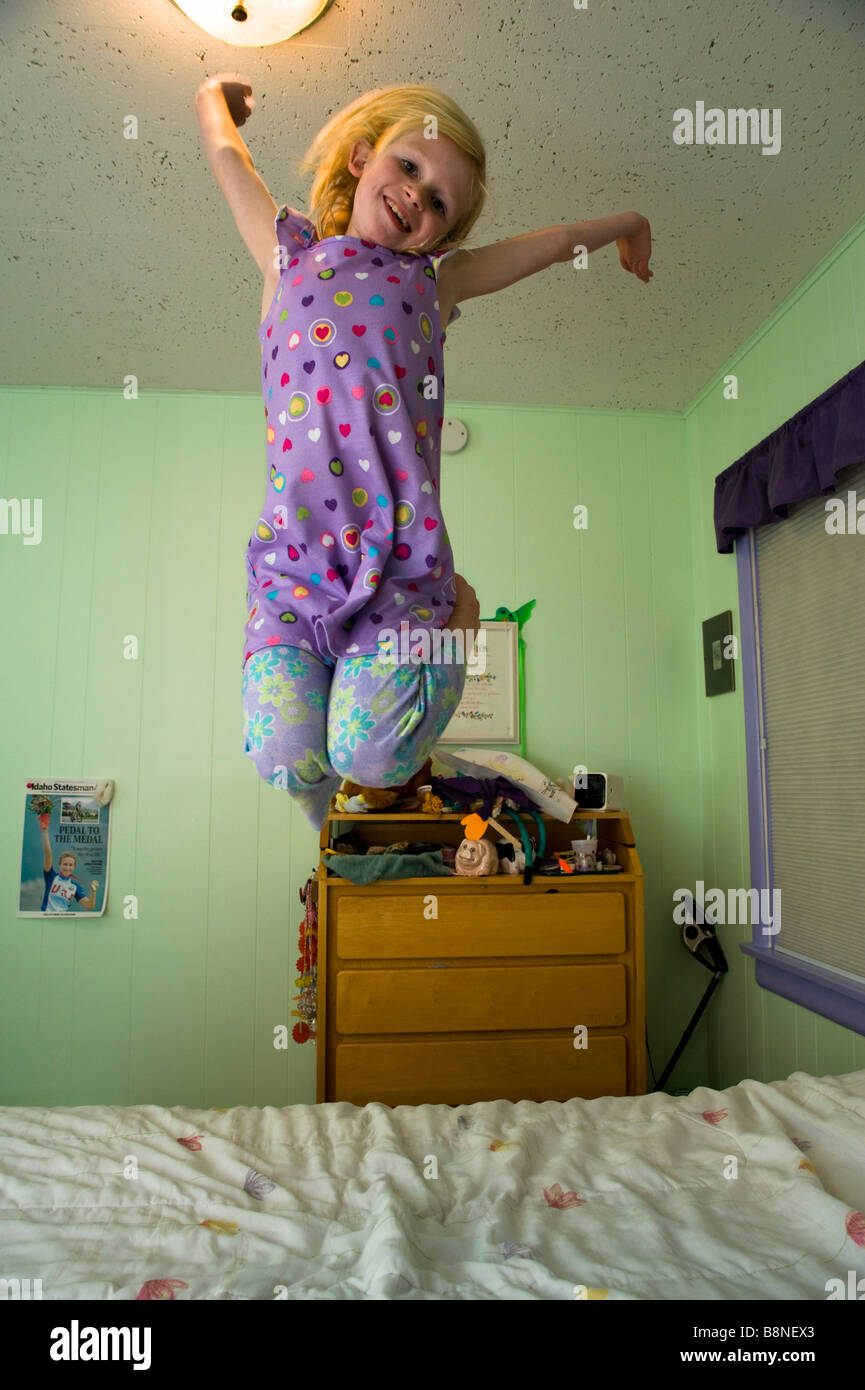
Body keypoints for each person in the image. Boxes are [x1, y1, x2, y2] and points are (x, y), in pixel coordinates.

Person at [195, 78, 652, 829]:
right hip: (295, 572)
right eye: (409, 168)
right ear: (360, 156)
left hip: (398, 575)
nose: (418, 197)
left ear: (439, 235)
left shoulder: (431, 284)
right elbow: (228, 162)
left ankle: (458, 619)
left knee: (372, 757)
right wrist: (213, 95)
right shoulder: (288, 257)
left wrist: (626, 221)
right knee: (284, 755)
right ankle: (339, 824)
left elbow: (536, 248)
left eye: (440, 202)